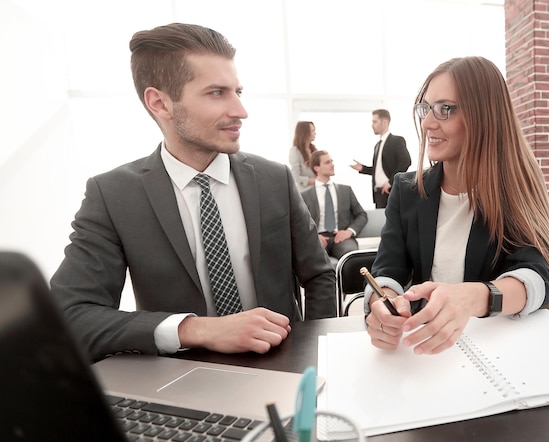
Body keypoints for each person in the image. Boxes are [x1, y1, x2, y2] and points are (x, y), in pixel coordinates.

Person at [50, 23, 336, 362]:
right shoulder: (113, 196)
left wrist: (313, 356)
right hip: (179, 380)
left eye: (237, 92)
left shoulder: (273, 179)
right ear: (160, 103)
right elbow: (70, 317)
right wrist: (196, 329)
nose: (240, 111)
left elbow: (319, 276)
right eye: (217, 93)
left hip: (282, 369)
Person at [364, 56, 549, 356]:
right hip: (423, 350)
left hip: (496, 351)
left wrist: (474, 297)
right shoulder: (406, 190)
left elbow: (537, 278)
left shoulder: (515, 189)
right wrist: (382, 303)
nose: (428, 123)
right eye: (426, 108)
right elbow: (388, 271)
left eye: (445, 109)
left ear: (484, 116)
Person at [301, 150, 368, 262]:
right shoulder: (305, 196)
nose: (332, 164)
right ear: (316, 168)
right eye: (327, 162)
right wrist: (313, 236)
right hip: (318, 238)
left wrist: (349, 231)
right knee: (313, 256)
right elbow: (299, 222)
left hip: (343, 238)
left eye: (332, 161)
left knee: (352, 258)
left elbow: (362, 215)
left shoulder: (346, 190)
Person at [350, 109, 411, 208]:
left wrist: (391, 182)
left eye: (375, 121)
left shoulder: (396, 141)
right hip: (379, 193)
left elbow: (405, 162)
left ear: (385, 122)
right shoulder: (377, 145)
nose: (372, 125)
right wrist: (363, 168)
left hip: (391, 191)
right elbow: (379, 170)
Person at [289, 121, 317, 192]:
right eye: (312, 131)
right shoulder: (295, 151)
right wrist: (317, 181)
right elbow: (296, 177)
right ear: (305, 133)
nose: (315, 133)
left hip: (317, 190)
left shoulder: (314, 149)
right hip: (305, 192)